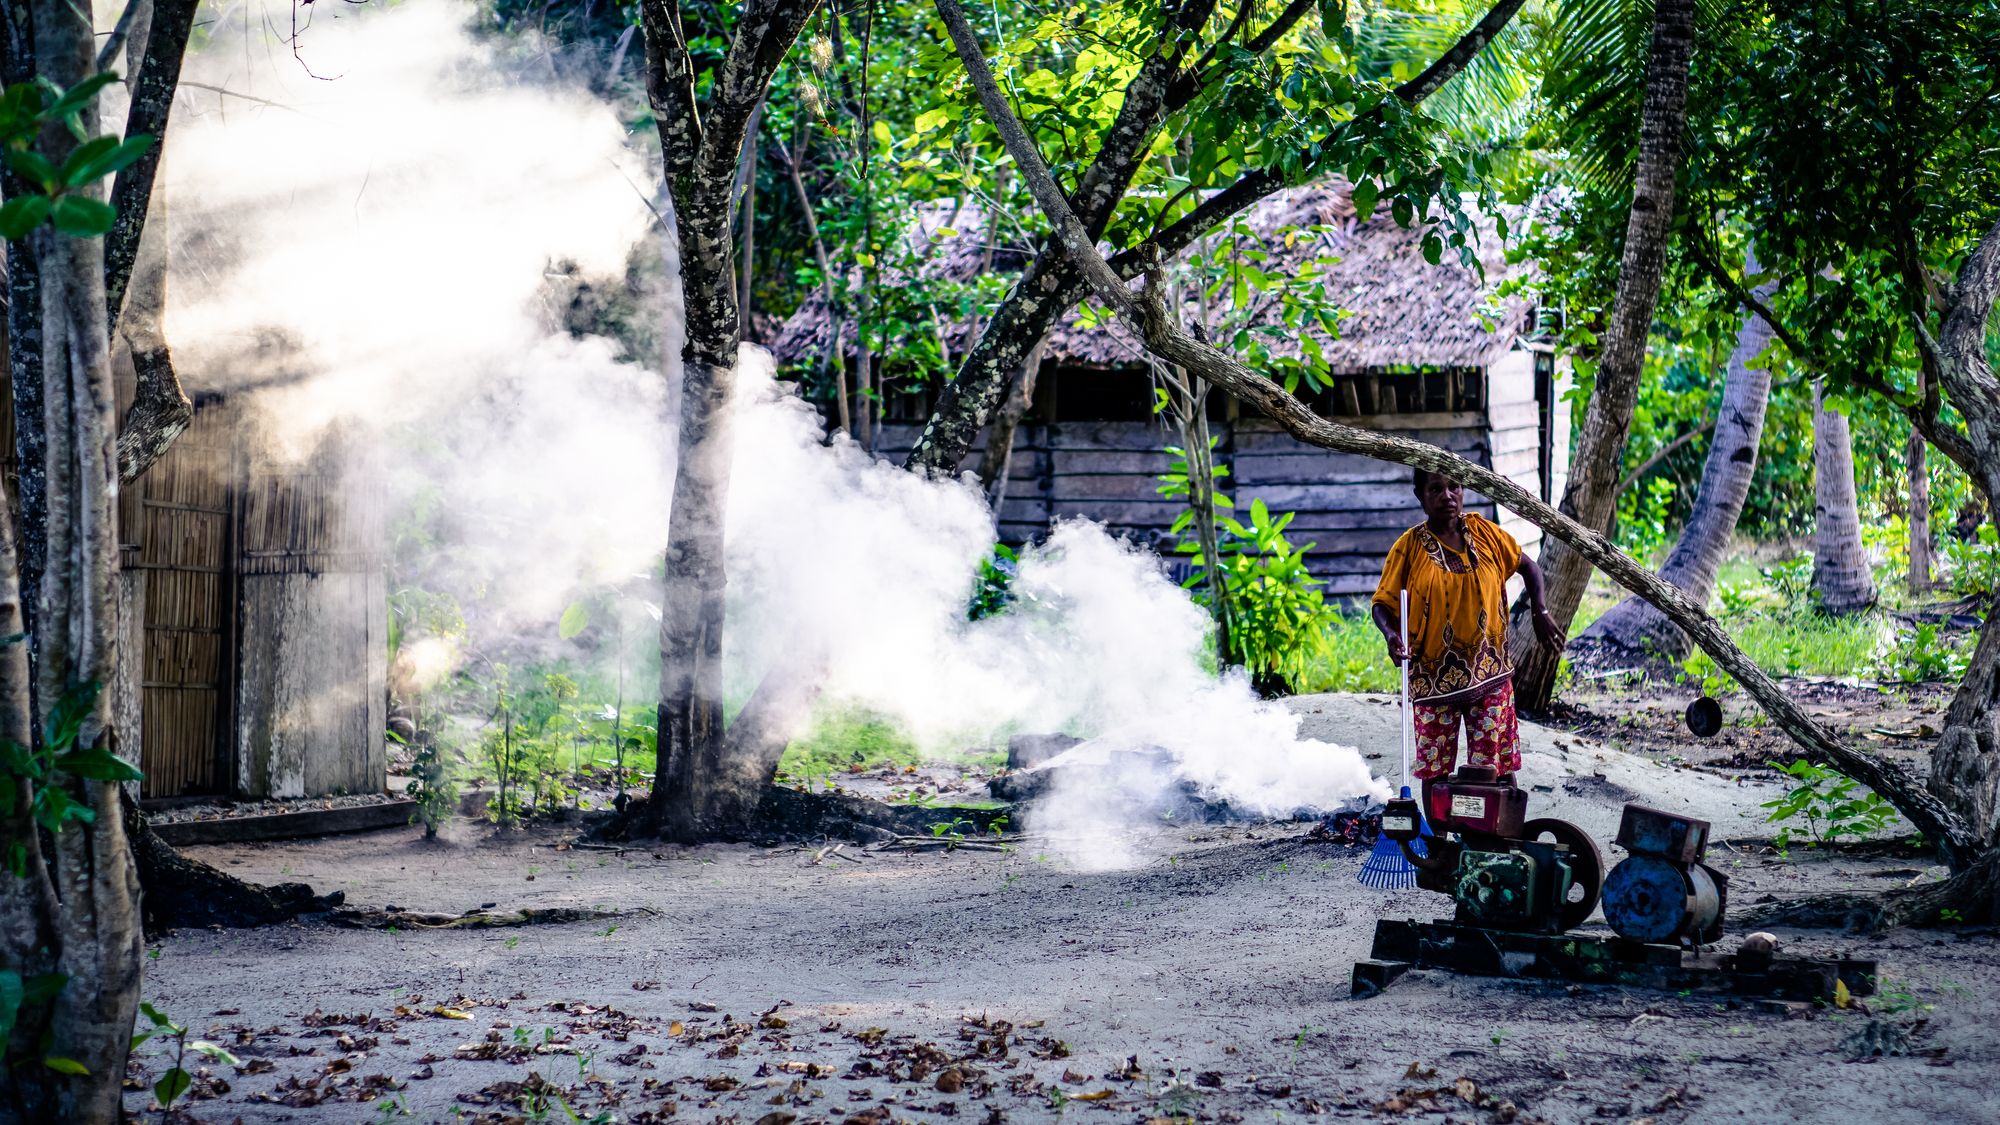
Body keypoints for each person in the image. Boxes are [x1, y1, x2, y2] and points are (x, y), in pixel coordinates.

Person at [1371, 467, 1565, 792]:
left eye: (1454, 487)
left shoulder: (1485, 533)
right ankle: (1439, 841)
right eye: (1436, 489)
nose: (1447, 496)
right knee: (1435, 773)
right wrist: (1392, 635)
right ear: (1420, 495)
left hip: (1489, 674)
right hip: (1434, 682)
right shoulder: (1409, 547)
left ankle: (1498, 836)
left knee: (1493, 770)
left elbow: (1528, 566)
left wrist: (1539, 610)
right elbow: (1382, 604)